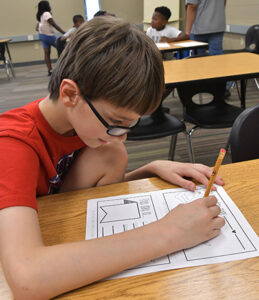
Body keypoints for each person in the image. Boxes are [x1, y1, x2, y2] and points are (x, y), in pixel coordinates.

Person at [0, 17, 225, 299]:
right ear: (70, 94)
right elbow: (26, 280)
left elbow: (64, 192)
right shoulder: (12, 144)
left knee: (112, 153)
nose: (122, 136)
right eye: (115, 122)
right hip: (16, 246)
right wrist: (170, 232)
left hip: (56, 227)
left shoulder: (82, 126)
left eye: (129, 125)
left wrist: (150, 169)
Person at [185, 0, 231, 97]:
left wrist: (188, 31)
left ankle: (201, 86)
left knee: (198, 59)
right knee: (217, 58)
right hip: (218, 25)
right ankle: (223, 87)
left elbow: (192, 6)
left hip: (200, 27)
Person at [36, 0, 65, 75]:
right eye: (49, 5)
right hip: (48, 36)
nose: (50, 6)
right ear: (46, 6)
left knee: (47, 52)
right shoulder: (46, 14)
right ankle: (61, 68)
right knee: (62, 50)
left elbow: (37, 27)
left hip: (41, 35)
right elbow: (54, 24)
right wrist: (65, 33)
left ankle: (50, 70)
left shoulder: (40, 15)